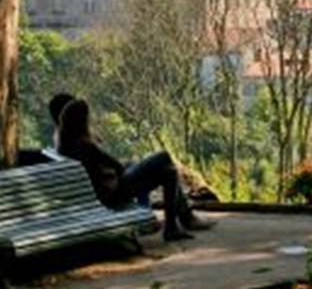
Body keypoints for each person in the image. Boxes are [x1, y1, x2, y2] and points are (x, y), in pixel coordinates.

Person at [56, 98, 211, 241]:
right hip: (114, 192)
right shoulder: (85, 145)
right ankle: (181, 220)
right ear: (81, 121)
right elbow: (116, 165)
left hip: (105, 191)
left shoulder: (64, 143)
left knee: (169, 172)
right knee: (163, 156)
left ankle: (174, 226)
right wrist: (123, 168)